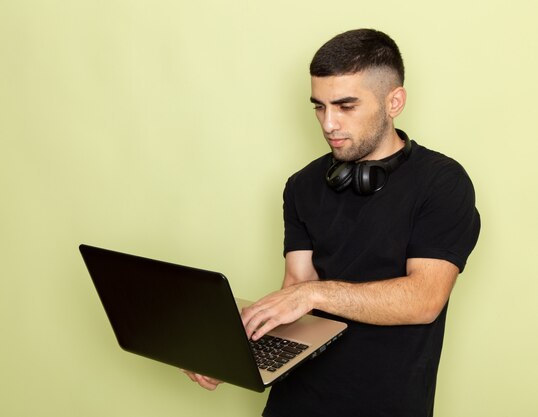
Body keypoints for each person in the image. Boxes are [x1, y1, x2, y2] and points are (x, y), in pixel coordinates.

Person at [185, 28, 480, 417]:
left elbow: (424, 299)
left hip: (387, 404)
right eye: (319, 107)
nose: (328, 124)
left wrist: (314, 295)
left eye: (345, 106)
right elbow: (295, 289)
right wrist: (230, 354)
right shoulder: (302, 185)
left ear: (394, 102)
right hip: (294, 401)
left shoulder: (442, 182)